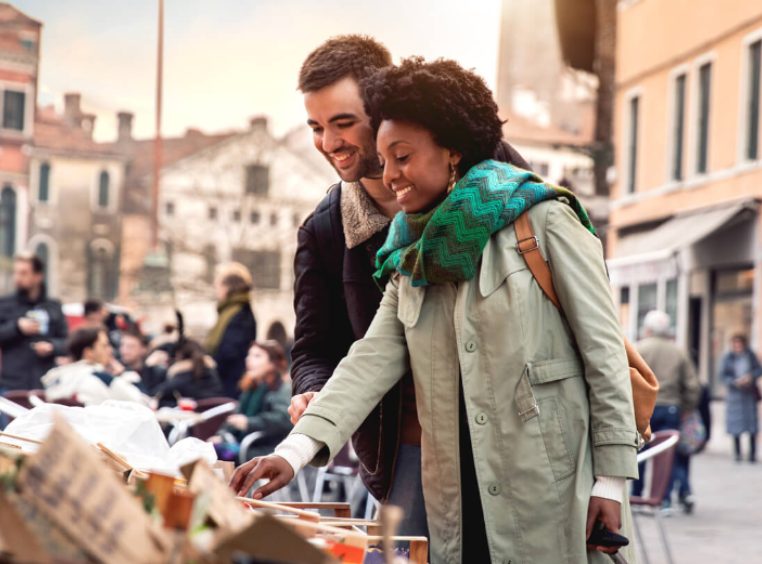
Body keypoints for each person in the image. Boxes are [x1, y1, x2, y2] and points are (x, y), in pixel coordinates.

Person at [232, 58, 638, 563]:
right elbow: (368, 362)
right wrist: (291, 453)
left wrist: (612, 480)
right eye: (383, 159)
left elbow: (604, 353)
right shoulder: (407, 256)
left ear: (451, 152)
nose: (390, 174)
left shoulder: (544, 219)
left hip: (549, 479)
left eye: (401, 157)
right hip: (449, 483)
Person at [287, 35, 530, 537]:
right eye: (316, 127)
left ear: (381, 107)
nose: (329, 144)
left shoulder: (494, 172)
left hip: (517, 431)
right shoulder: (326, 229)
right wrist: (311, 392)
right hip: (410, 448)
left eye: (343, 123)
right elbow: (315, 346)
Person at [633, 310, 700, 513]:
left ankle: (636, 496)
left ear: (648, 329)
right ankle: (664, 501)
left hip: (645, 407)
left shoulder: (639, 349)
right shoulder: (678, 352)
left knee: (640, 452)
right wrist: (687, 408)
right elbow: (693, 385)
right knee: (665, 456)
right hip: (671, 407)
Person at [211, 341, 292, 461]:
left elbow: (284, 419)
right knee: (206, 449)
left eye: (257, 356)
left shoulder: (282, 389)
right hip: (243, 443)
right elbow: (235, 418)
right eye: (249, 355)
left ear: (272, 363)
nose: (249, 359)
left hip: (265, 447)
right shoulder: (252, 387)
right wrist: (221, 435)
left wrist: (249, 423)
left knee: (217, 455)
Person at [0, 253, 68, 391]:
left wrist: (52, 346)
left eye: (24, 273)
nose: (17, 278)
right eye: (16, 273)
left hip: (46, 384)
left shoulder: (53, 306)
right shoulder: (5, 304)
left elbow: (67, 342)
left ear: (38, 276)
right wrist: (17, 328)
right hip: (12, 385)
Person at [42, 327, 148, 406]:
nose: (110, 350)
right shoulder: (103, 379)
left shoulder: (54, 377)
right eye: (104, 345)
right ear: (89, 352)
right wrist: (124, 375)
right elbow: (142, 404)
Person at [205, 262, 257, 399]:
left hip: (230, 384)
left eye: (219, 285)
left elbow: (229, 352)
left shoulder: (240, 314)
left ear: (229, 287)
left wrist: (208, 363)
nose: (216, 290)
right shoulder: (231, 311)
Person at [720, 334, 761, 463]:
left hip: (749, 395)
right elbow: (722, 375)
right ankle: (737, 452)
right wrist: (734, 382)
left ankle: (752, 454)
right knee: (735, 425)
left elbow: (758, 370)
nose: (737, 346)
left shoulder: (750, 355)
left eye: (739, 344)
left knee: (751, 425)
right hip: (735, 395)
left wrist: (750, 377)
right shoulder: (728, 357)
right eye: (735, 344)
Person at [154, 338, 223, 407]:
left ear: (179, 356)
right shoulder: (211, 371)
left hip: (198, 413)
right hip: (216, 411)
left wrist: (149, 366)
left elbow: (156, 393)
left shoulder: (183, 375)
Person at [116, 329, 167, 396]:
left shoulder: (155, 371)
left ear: (143, 349)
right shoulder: (116, 369)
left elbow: (148, 396)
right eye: (122, 345)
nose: (124, 351)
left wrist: (147, 367)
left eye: (130, 347)